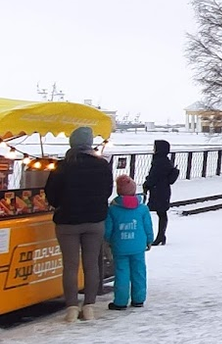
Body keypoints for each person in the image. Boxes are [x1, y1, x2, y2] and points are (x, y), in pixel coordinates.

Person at [43, 126, 114, 322]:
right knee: (91, 265)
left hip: (67, 222)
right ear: (90, 143)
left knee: (70, 266)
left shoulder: (62, 166)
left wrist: (61, 205)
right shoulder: (102, 166)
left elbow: (51, 195)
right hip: (95, 221)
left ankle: (72, 308)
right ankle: (89, 306)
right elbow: (107, 192)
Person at [104, 175, 154, 310]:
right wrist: (150, 240)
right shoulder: (142, 209)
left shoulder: (113, 209)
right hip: (138, 246)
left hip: (120, 246)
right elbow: (148, 226)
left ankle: (120, 301)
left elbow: (108, 228)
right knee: (139, 272)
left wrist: (107, 240)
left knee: (121, 273)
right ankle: (138, 299)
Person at [142, 139, 180, 245]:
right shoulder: (166, 160)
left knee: (147, 212)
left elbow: (153, 176)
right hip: (163, 190)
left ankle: (155, 236)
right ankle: (161, 236)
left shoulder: (159, 161)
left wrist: (146, 184)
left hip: (157, 190)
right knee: (161, 213)